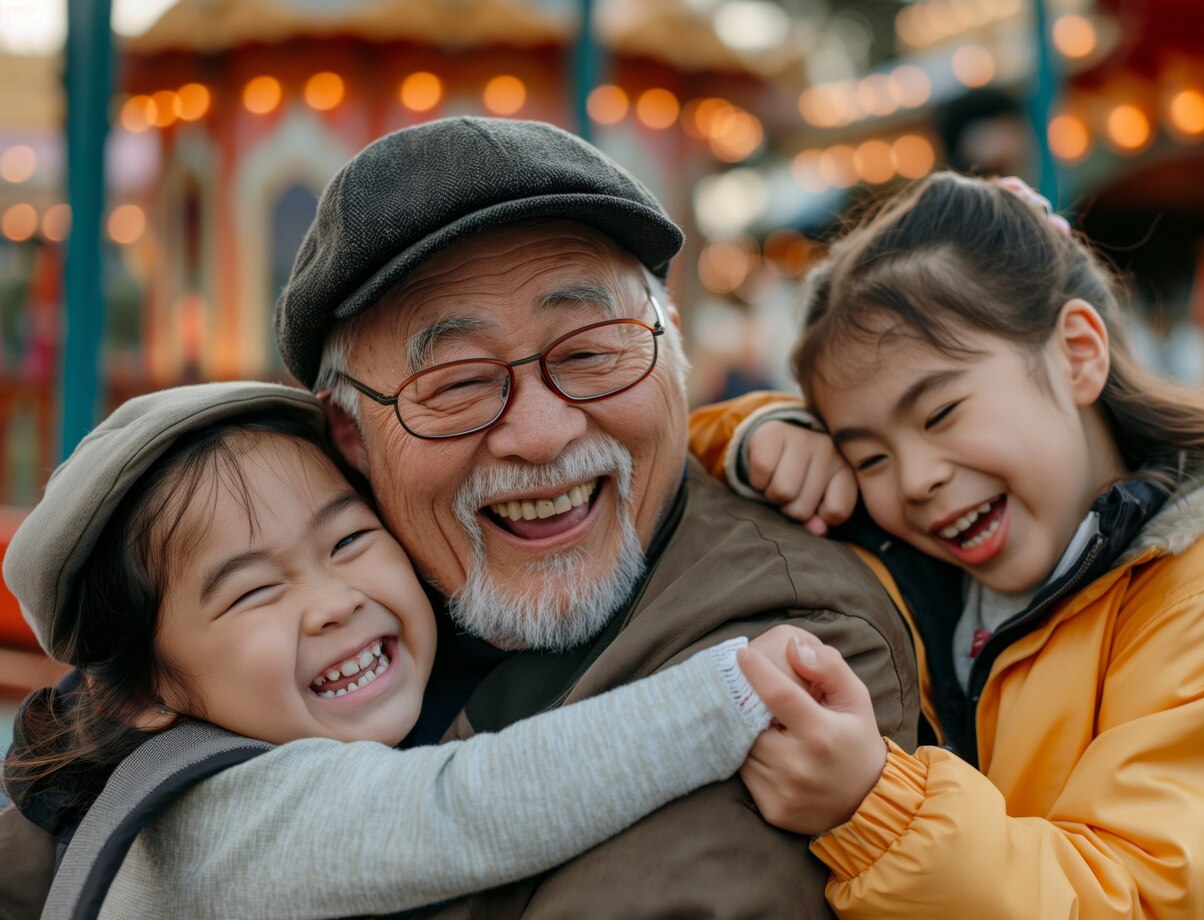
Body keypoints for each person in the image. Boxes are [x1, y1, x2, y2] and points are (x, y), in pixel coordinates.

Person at [0, 116, 916, 917]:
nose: (543, 433)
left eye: (594, 353)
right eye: (457, 384)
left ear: (672, 355)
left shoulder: (793, 639)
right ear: (351, 444)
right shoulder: (324, 601)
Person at [706, 172, 1204, 919]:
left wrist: (875, 811)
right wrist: (760, 436)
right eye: (867, 456)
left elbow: (1134, 894)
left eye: (941, 412)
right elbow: (656, 468)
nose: (916, 480)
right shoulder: (923, 552)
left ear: (1079, 354)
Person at [0, 380, 824, 919]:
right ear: (146, 694)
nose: (333, 602)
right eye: (252, 591)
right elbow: (467, 806)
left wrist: (751, 431)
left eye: (351, 539)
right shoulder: (223, 815)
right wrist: (740, 689)